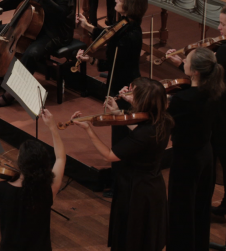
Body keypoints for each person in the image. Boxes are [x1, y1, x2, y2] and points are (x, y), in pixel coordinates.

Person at [169, 2, 226, 220]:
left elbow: (207, 78)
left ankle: (210, 204)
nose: (219, 29)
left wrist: (181, 64)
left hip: (224, 109)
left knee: (217, 155)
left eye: (223, 24)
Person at [71, 77, 173, 251]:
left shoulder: (144, 134)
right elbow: (140, 132)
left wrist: (89, 129)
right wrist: (118, 114)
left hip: (137, 191)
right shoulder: (164, 120)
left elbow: (109, 156)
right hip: (151, 186)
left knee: (132, 239)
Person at [76, 0, 148, 197]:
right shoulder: (124, 24)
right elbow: (108, 34)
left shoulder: (131, 34)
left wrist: (93, 59)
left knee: (121, 136)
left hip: (125, 87)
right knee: (118, 134)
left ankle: (121, 184)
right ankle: (118, 178)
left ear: (129, 6)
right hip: (120, 82)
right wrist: (88, 26)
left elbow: (117, 60)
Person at [0, 108, 66, 251]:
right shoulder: (48, 188)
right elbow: (61, 158)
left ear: (20, 163)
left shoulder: (3, 189)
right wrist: (53, 126)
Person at [159, 47, 225, 250]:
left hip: (186, 159)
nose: (183, 63)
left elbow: (164, 124)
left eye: (186, 60)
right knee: (200, 208)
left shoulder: (183, 99)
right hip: (205, 155)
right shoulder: (215, 90)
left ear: (195, 71)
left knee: (181, 210)